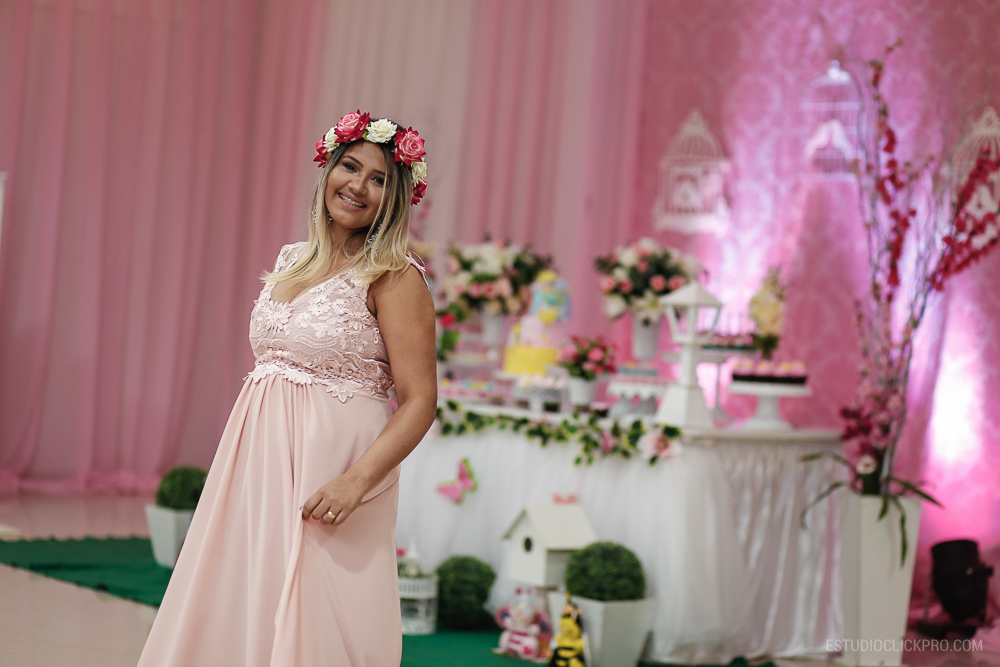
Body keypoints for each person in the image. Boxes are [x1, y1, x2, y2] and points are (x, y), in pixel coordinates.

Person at [136, 111, 437, 667]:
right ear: (328, 169)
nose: (358, 186)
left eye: (379, 179)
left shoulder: (395, 276)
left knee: (321, 611)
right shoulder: (291, 259)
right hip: (258, 460)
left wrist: (355, 482)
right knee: (244, 595)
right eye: (350, 167)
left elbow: (420, 401)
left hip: (334, 469)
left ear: (396, 198)